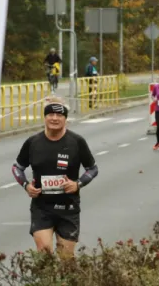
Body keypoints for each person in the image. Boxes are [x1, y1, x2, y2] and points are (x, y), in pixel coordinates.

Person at [11, 97, 99, 258]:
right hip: (42, 207)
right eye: (50, 114)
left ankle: (69, 283)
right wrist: (26, 186)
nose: (54, 118)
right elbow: (17, 167)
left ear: (66, 119)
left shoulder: (76, 142)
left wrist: (78, 184)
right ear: (45, 117)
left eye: (59, 115)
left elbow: (92, 169)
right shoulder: (33, 142)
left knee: (66, 257)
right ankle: (47, 283)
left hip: (68, 207)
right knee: (44, 251)